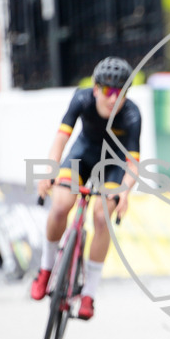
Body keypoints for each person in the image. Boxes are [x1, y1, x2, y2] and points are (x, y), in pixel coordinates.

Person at [29, 56, 141, 320]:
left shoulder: (132, 114)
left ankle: (89, 293)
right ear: (95, 89)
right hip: (83, 156)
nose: (113, 99)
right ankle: (45, 270)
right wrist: (49, 170)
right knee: (60, 206)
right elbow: (61, 138)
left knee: (102, 217)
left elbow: (134, 164)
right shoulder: (81, 100)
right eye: (107, 91)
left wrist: (124, 191)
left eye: (121, 92)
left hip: (112, 166)